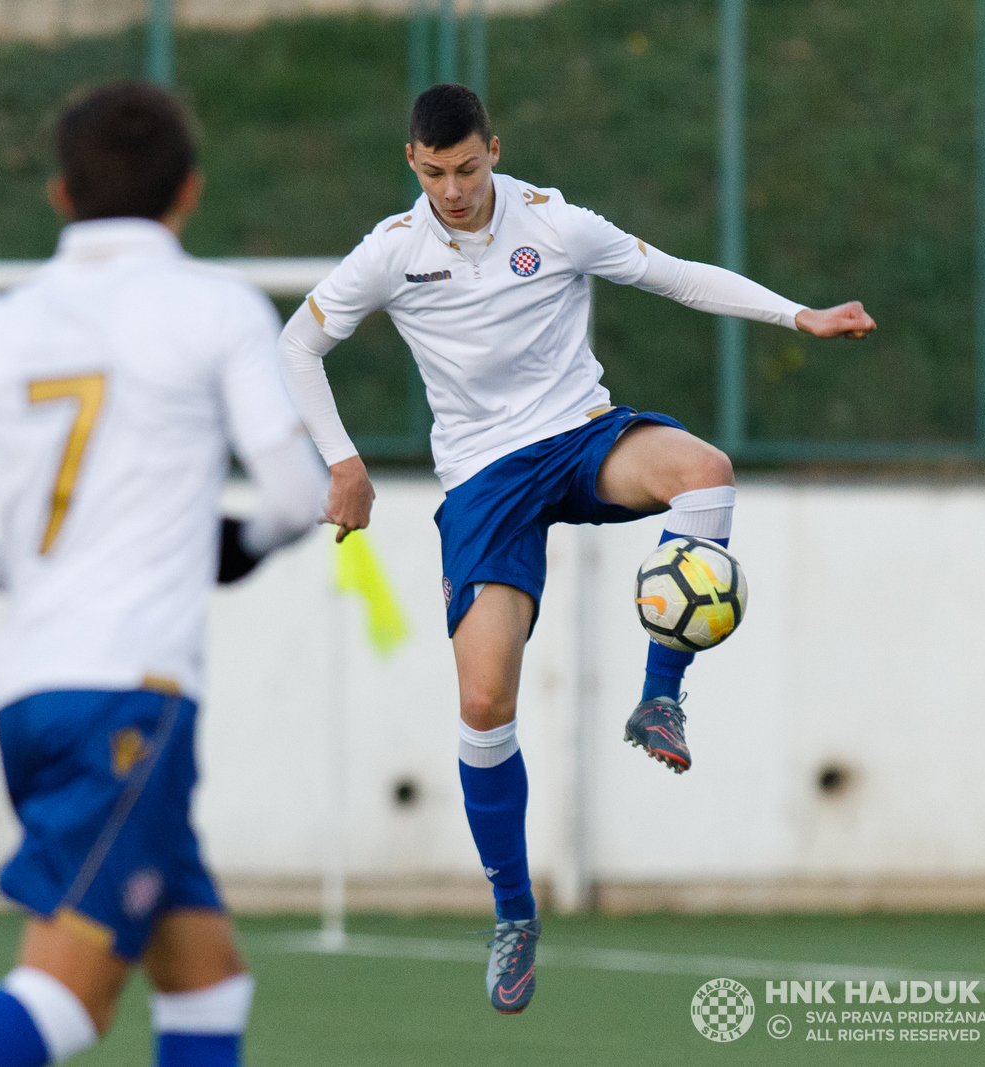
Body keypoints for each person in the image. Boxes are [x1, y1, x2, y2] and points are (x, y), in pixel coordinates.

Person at [280, 83, 874, 1015]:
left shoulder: (556, 224)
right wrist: (343, 461)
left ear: (495, 151)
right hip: (484, 482)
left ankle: (659, 700)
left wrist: (799, 315)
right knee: (483, 702)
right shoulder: (390, 253)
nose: (455, 190)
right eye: (435, 173)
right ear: (412, 164)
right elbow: (297, 346)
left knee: (706, 470)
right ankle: (514, 914)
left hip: (581, 435)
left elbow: (677, 274)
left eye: (469, 168)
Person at [0, 82, 327, 1067]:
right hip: (134, 696)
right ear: (189, 192)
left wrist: (23, 576)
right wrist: (237, 548)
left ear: (60, 194)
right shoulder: (215, 308)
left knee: (205, 970)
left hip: (32, 693)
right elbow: (297, 495)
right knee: (63, 996)